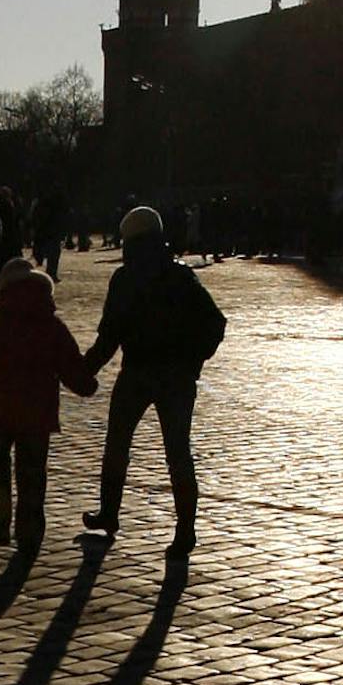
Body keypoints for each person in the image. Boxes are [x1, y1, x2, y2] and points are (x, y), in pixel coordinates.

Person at [82, 205, 225, 560]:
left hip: (138, 370)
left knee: (118, 444)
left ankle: (110, 514)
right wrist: (193, 363)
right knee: (178, 453)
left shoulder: (124, 278)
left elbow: (108, 337)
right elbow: (214, 324)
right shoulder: (180, 276)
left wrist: (82, 370)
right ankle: (185, 531)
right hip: (175, 376)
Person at [0, 258, 97, 555]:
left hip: (0, 411)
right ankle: (30, 532)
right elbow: (70, 365)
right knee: (32, 472)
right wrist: (87, 384)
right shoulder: (50, 326)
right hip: (39, 413)